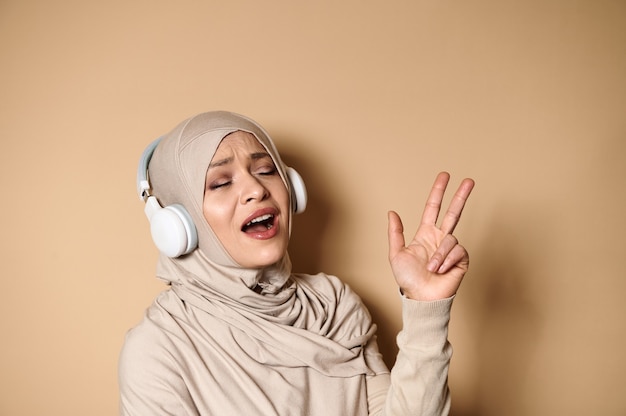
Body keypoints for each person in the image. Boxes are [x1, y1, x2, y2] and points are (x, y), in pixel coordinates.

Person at [119, 111, 475, 415]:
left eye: (265, 169)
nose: (256, 189)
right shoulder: (158, 350)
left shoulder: (334, 305)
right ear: (177, 223)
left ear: (292, 190)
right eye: (221, 182)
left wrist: (426, 310)